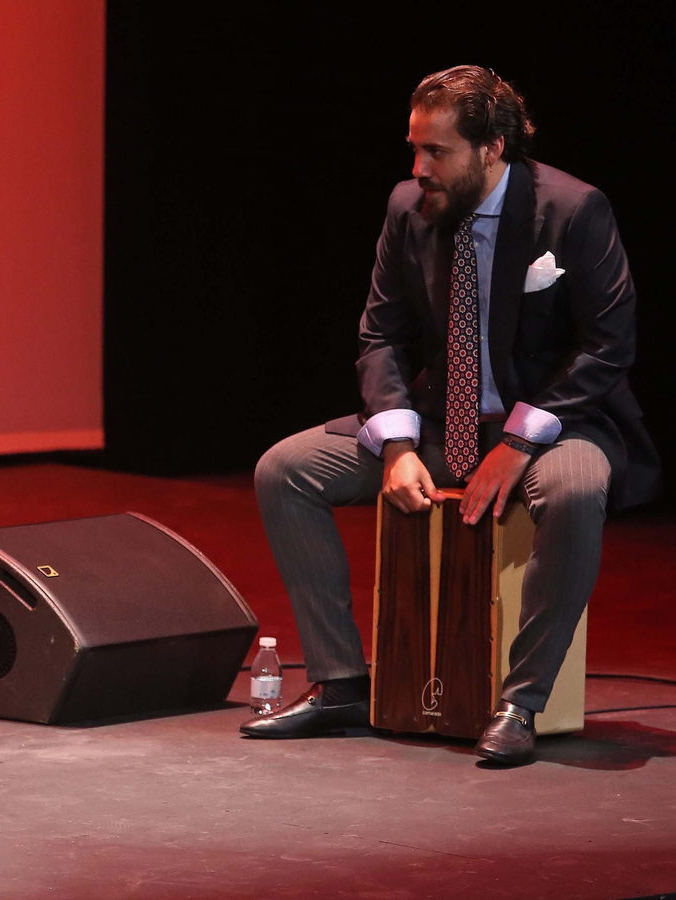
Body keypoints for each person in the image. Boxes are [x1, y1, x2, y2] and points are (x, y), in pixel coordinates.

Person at [240, 67, 660, 765]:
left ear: (493, 147)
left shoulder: (573, 210)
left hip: (558, 424)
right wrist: (399, 443)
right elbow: (380, 336)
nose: (419, 168)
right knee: (286, 470)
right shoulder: (410, 207)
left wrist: (522, 440)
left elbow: (608, 345)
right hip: (442, 424)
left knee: (579, 488)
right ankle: (342, 683)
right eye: (416, 149)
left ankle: (520, 702)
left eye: (437, 152)